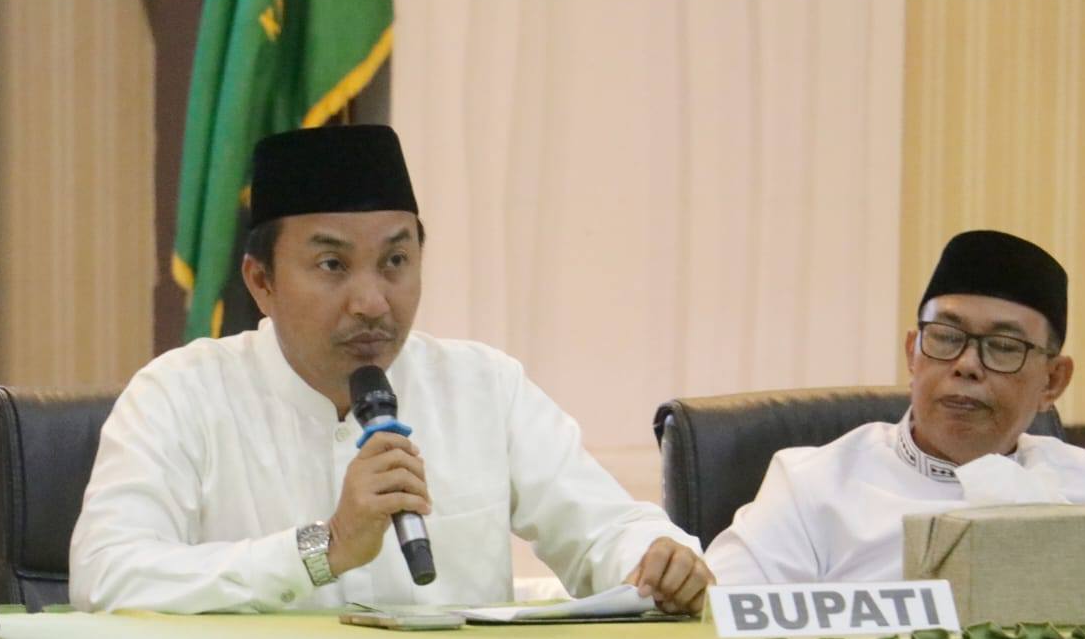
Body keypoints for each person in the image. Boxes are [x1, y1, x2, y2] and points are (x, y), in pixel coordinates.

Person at [70, 125, 709, 613]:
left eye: (395, 262)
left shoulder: (482, 387)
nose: (372, 302)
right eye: (333, 266)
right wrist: (323, 548)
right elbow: (107, 577)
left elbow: (606, 529)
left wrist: (657, 559)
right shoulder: (180, 395)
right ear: (261, 282)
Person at [706, 229, 1085, 584]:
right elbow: (716, 624)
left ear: (1052, 381)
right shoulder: (811, 488)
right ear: (912, 354)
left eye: (1003, 346)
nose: (967, 365)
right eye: (945, 337)